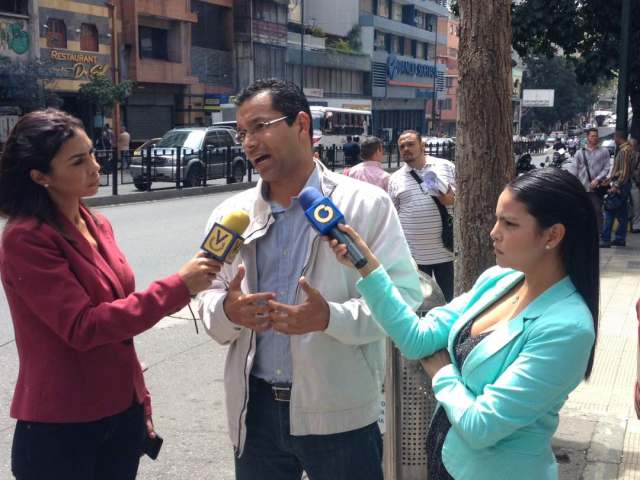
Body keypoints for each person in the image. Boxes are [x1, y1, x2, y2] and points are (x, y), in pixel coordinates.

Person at [195, 79, 423, 480]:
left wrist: (327, 318)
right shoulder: (231, 214)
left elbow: (403, 299)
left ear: (301, 124)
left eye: (261, 126)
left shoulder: (364, 205)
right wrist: (228, 310)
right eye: (242, 132)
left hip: (341, 412)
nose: (249, 143)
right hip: (256, 412)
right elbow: (205, 296)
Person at [327, 167, 598, 480]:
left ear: (552, 235)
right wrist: (368, 267)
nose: (494, 232)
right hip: (446, 459)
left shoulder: (568, 328)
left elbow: (482, 426)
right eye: (497, 219)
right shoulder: (500, 280)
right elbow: (416, 338)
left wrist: (442, 372)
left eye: (509, 224)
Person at [0, 109, 221, 480]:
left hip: (120, 410)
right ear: (40, 177)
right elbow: (83, 327)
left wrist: (140, 401)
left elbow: (120, 322)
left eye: (90, 152)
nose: (94, 165)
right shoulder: (26, 238)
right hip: (62, 425)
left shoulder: (96, 221)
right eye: (77, 160)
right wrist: (178, 286)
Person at [389, 130, 455, 301]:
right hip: (414, 255)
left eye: (410, 144)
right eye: (402, 146)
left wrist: (450, 200)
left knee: (450, 299)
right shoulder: (395, 178)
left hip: (445, 251)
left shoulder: (445, 167)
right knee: (420, 301)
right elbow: (393, 215)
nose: (405, 149)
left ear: (422, 145)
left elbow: (462, 200)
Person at [564, 127, 610, 231]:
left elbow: (607, 168)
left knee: (597, 211)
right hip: (582, 187)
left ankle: (598, 234)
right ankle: (584, 233)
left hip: (596, 188)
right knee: (582, 211)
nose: (595, 138)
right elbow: (574, 170)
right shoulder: (580, 153)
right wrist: (571, 183)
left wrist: (598, 179)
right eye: (592, 136)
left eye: (596, 136)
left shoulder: (604, 151)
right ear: (587, 137)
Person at [600, 130, 634, 248]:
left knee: (609, 210)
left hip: (621, 185)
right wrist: (610, 179)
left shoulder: (624, 151)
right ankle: (620, 238)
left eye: (614, 137)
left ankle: (605, 239)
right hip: (625, 184)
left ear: (617, 137)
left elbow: (624, 172)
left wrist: (616, 186)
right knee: (623, 213)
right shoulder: (630, 149)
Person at [628, 138, 640, 233]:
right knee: (634, 205)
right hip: (631, 183)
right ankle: (634, 224)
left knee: (636, 205)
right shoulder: (626, 155)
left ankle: (636, 225)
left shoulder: (637, 156)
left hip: (635, 183)